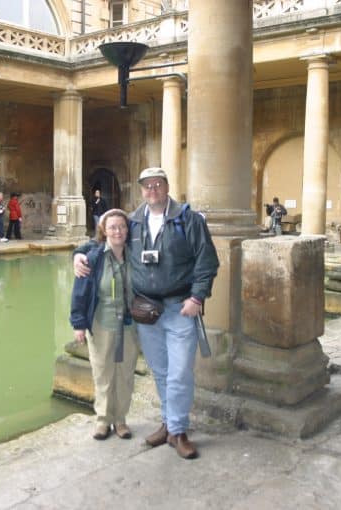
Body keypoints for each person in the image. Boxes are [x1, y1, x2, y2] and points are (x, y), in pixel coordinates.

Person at [74, 167, 219, 459]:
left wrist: (197, 296)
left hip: (180, 308)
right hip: (146, 311)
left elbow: (207, 261)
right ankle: (168, 424)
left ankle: (178, 431)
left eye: (157, 184)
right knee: (162, 372)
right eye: (146, 185)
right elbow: (105, 239)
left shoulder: (187, 219)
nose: (152, 189)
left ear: (166, 186)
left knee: (179, 373)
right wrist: (77, 253)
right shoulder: (134, 221)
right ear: (141, 190)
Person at [70, 209, 139, 441]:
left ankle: (120, 420)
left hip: (129, 326)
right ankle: (102, 421)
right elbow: (79, 293)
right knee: (103, 374)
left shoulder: (135, 255)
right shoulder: (94, 257)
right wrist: (78, 323)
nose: (117, 231)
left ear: (127, 230)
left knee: (125, 374)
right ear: (104, 231)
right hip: (102, 325)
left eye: (121, 226)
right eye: (112, 227)